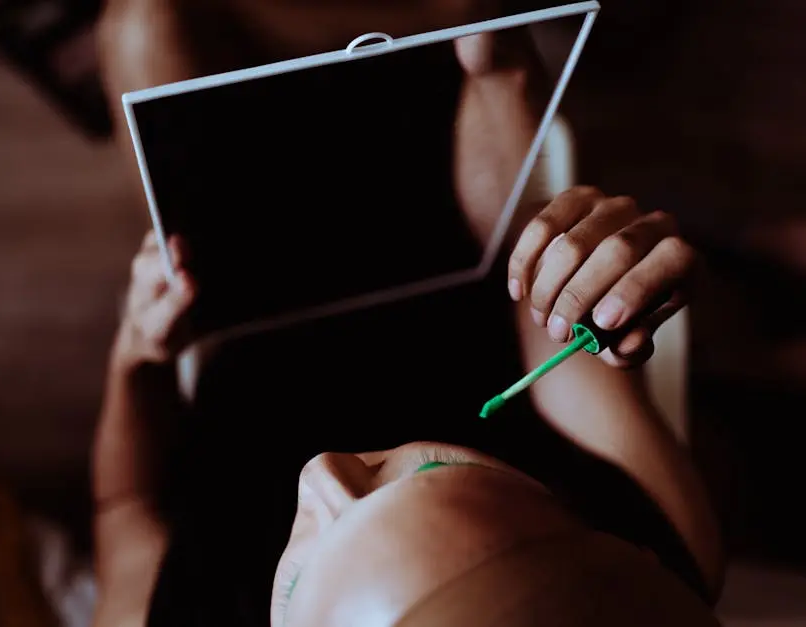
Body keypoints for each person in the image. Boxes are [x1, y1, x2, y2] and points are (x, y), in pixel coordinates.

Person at [91, 3, 724, 626]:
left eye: (297, 589)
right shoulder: (650, 567)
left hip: (236, 297)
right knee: (483, 39)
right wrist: (575, 276)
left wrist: (139, 353)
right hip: (465, 275)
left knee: (140, 21)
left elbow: (123, 504)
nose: (318, 470)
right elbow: (539, 314)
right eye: (425, 476)